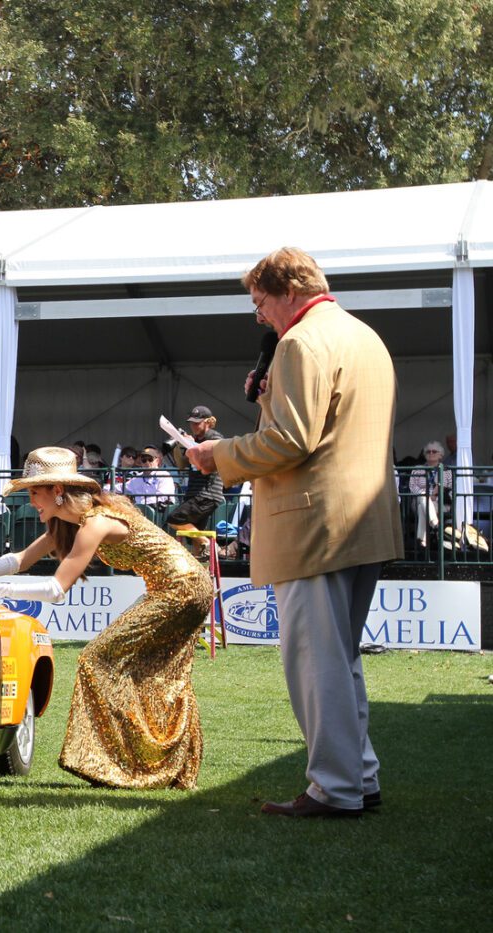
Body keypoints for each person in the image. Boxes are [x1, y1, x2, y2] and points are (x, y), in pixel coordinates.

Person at [187, 246, 401, 818]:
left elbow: (291, 441)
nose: (258, 315)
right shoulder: (363, 336)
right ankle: (358, 778)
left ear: (288, 292)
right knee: (341, 657)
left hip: (314, 525)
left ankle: (334, 788)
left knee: (316, 662)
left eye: (260, 302)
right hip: (364, 520)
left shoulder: (301, 343)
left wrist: (218, 454)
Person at [0, 447, 213, 789]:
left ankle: (119, 764)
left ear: (57, 491)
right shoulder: (70, 522)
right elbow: (20, 559)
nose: (32, 501)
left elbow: (56, 589)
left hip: (183, 588)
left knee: (96, 659)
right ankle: (147, 765)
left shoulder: (96, 522)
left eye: (35, 492)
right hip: (174, 587)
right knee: (152, 674)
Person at [166, 405, 224, 542]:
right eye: (191, 423)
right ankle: (202, 557)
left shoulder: (215, 438)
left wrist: (193, 445)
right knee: (194, 537)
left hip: (206, 494)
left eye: (197, 423)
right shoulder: (195, 440)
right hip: (195, 493)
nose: (193, 426)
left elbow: (208, 461)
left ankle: (209, 545)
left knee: (174, 519)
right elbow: (181, 465)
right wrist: (181, 443)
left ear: (208, 422)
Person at [406, 440, 452, 548]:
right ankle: (435, 524)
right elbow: (412, 487)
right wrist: (431, 494)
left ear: (440, 455)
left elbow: (450, 488)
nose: (431, 453)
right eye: (428, 452)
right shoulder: (417, 469)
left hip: (440, 502)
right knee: (422, 497)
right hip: (420, 500)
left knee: (423, 506)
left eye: (434, 451)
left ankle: (422, 538)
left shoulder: (446, 471)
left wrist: (435, 495)